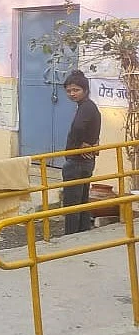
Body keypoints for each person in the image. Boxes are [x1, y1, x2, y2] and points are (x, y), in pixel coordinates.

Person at [62, 70, 101, 236]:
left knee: (72, 203)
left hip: (77, 162)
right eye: (69, 91)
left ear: (85, 90)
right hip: (86, 161)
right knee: (82, 199)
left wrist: (78, 145)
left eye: (76, 90)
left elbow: (78, 127)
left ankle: (71, 236)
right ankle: (83, 233)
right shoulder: (89, 106)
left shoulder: (86, 107)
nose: (72, 94)